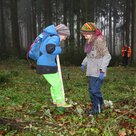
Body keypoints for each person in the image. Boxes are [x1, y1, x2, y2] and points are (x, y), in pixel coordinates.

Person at [36, 24, 72, 108]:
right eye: (65, 36)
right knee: (57, 84)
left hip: (47, 64)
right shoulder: (55, 38)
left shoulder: (50, 37)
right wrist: (59, 49)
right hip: (46, 65)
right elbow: (50, 49)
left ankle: (56, 100)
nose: (65, 38)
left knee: (55, 83)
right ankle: (60, 102)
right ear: (62, 33)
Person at [80, 22, 111, 116]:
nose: (85, 36)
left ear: (92, 33)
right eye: (83, 34)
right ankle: (94, 108)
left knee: (95, 90)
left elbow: (107, 56)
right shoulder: (90, 42)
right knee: (91, 90)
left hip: (98, 72)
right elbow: (89, 56)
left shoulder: (99, 42)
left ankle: (98, 108)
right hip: (91, 71)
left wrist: (102, 70)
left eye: (86, 34)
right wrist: (83, 63)